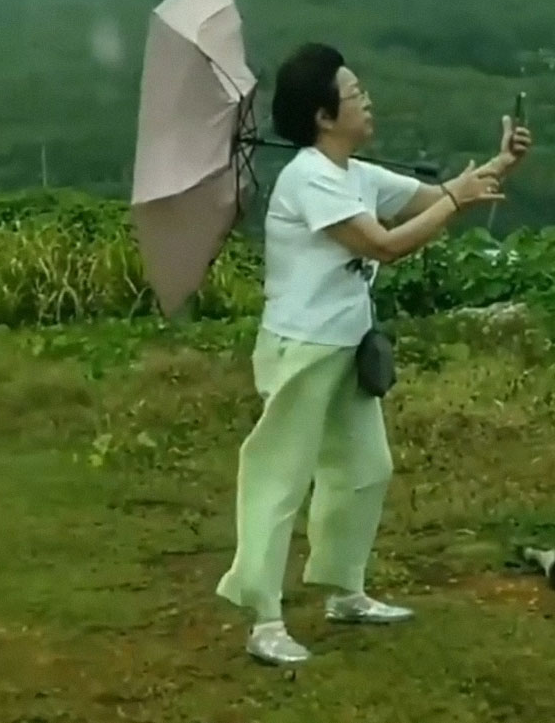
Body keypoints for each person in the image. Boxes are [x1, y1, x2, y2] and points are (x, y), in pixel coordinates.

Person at [216, 43, 532, 665]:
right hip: (302, 347)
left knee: (365, 468)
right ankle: (264, 619)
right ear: (324, 116)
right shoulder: (309, 180)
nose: (367, 101)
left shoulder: (355, 175)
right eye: (355, 93)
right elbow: (385, 245)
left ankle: (344, 589)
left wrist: (502, 162)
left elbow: (439, 194)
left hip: (346, 346)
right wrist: (455, 200)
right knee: (280, 478)